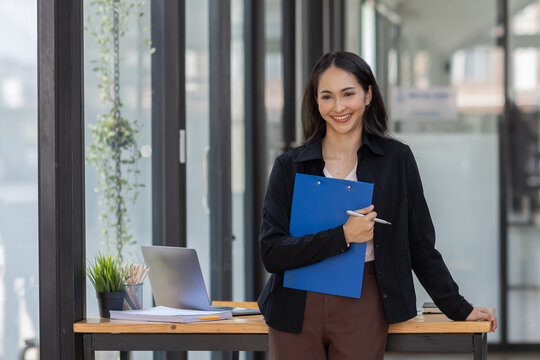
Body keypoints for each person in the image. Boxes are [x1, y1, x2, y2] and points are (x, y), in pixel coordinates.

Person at [257, 52, 497, 360]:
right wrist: (343, 236)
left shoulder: (395, 161)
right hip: (295, 304)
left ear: (368, 94)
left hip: (364, 299)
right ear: (316, 102)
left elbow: (420, 246)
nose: (339, 107)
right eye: (327, 96)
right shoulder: (291, 165)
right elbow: (272, 252)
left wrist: (459, 308)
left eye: (348, 94)